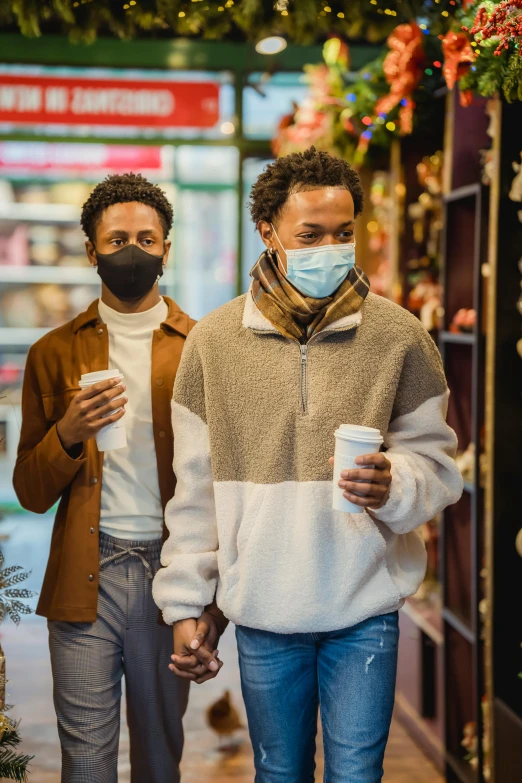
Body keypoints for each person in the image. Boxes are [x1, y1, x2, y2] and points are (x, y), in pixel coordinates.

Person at [152, 147, 463, 783]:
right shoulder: (213, 343)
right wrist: (188, 605)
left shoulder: (400, 336)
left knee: (356, 773)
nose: (332, 247)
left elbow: (438, 463)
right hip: (264, 611)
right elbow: (195, 494)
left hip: (365, 608)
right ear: (267, 232)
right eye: (311, 235)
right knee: (279, 772)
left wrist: (395, 481)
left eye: (344, 233)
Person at [13, 173, 226, 783]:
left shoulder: (203, 349)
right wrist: (69, 433)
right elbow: (29, 490)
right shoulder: (53, 353)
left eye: (146, 238)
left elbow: (224, 483)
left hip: (173, 577)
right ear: (90, 252)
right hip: (85, 578)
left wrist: (215, 598)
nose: (131, 251)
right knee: (86, 760)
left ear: (166, 247)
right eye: (115, 240)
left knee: (160, 759)